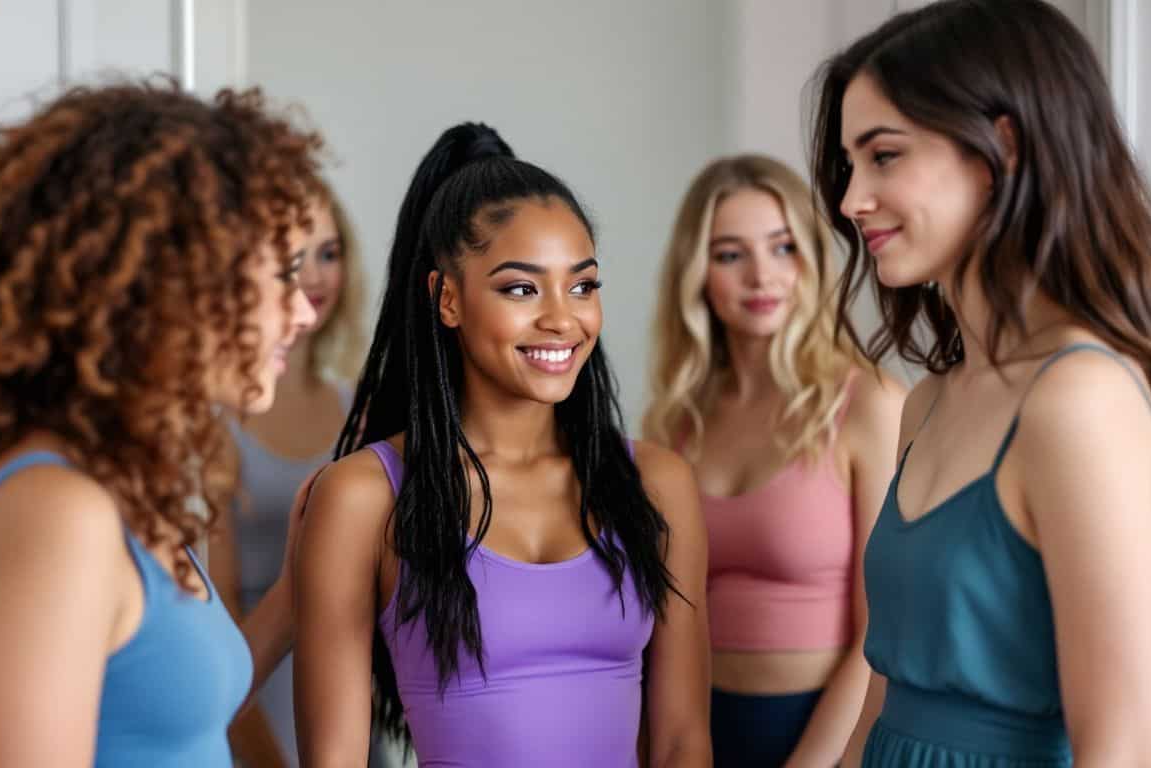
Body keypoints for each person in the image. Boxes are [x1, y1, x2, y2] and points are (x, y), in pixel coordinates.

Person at [0, 80, 322, 767]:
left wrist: (292, 592)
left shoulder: (125, 487)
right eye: (281, 274)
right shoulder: (56, 509)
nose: (304, 313)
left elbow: (174, 715)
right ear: (171, 281)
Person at [808, 1, 1151, 764]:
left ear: (1002, 147)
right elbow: (886, 695)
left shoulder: (1080, 403)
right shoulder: (928, 401)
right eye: (850, 165)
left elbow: (1123, 750)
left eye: (884, 156)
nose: (850, 202)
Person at [291, 123, 712, 766]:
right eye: (521, 288)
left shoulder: (656, 482)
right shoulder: (361, 496)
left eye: (582, 285)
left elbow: (683, 742)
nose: (562, 318)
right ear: (449, 299)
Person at [644, 154, 903, 767]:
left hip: (825, 731)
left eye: (783, 247)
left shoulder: (870, 403)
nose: (762, 275)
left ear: (812, 259)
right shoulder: (673, 421)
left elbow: (885, 632)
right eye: (731, 254)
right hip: (695, 732)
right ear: (698, 272)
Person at [207, 186, 392, 767]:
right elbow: (218, 621)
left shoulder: (363, 409)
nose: (313, 279)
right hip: (250, 704)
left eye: (329, 254)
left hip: (354, 716)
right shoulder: (212, 427)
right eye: (291, 263)